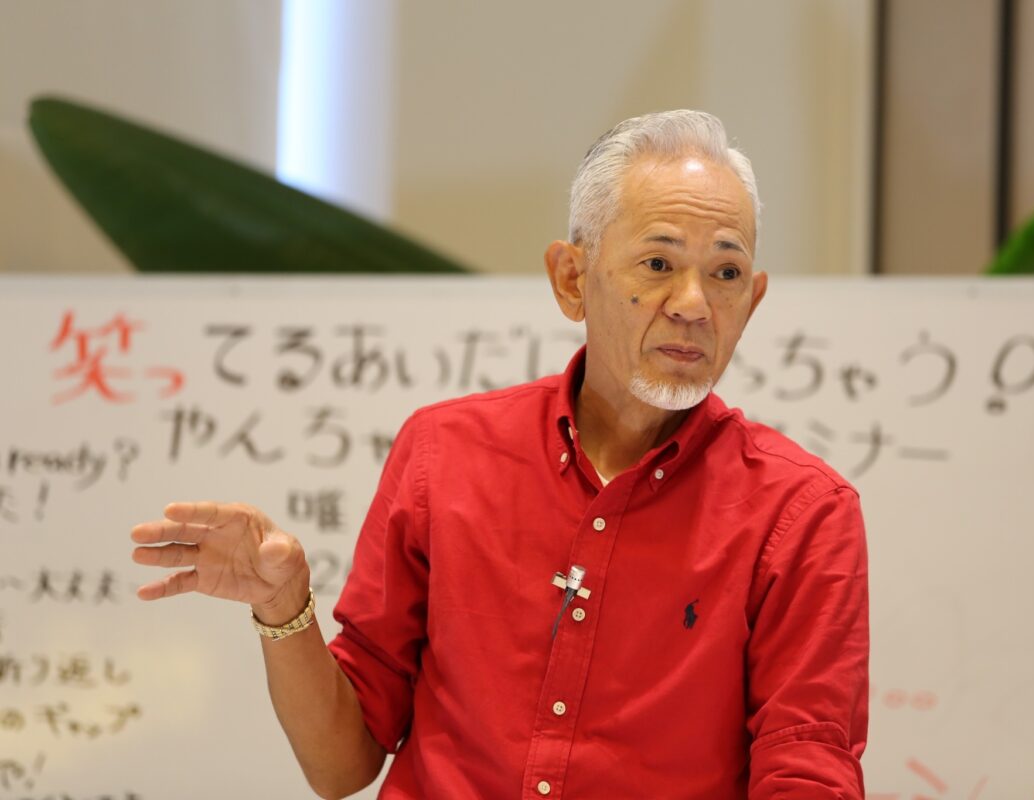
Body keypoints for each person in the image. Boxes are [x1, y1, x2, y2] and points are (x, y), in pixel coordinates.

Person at [130, 110, 869, 799]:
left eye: (726, 273)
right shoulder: (446, 454)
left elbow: (806, 766)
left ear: (752, 300)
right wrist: (283, 607)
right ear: (572, 280)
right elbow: (341, 766)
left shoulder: (802, 513)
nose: (693, 304)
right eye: (657, 263)